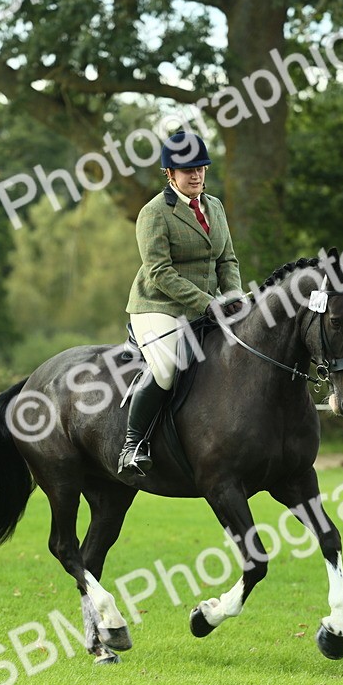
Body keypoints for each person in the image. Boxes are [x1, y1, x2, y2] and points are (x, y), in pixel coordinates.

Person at [118, 130, 244, 476]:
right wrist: (207, 303)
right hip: (158, 307)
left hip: (206, 306)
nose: (196, 175)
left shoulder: (214, 207)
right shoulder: (154, 213)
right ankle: (132, 445)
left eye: (201, 168)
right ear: (169, 174)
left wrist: (233, 297)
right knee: (168, 366)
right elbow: (159, 272)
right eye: (187, 170)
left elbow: (227, 261)